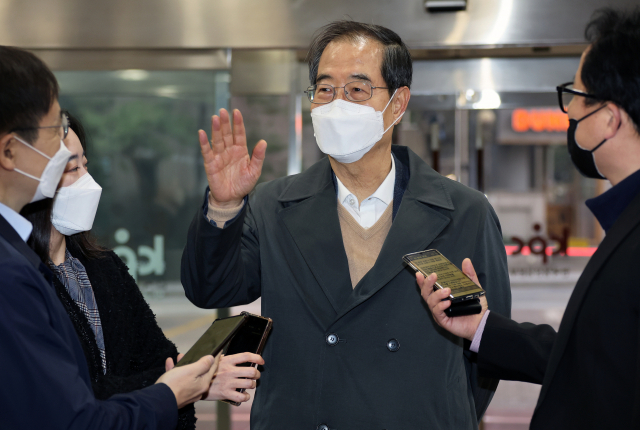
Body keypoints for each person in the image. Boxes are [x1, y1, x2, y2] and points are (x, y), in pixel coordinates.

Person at [181, 21, 512, 429]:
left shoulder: (465, 211)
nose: (338, 103)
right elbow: (210, 288)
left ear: (398, 102)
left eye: (357, 89)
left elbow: (489, 348)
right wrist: (224, 206)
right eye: (325, 89)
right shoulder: (273, 206)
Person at [420, 7, 640, 429]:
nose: (570, 112)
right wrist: (481, 327)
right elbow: (590, 356)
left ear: (610, 119)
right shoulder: (626, 222)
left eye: (576, 96)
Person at [0, 45, 217, 430]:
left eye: (84, 162)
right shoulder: (12, 271)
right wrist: (167, 392)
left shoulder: (86, 266)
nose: (80, 174)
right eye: (55, 133)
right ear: (10, 150)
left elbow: (154, 357)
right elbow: (74, 411)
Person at [19, 112, 264, 430]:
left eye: (85, 164)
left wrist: (193, 376)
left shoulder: (103, 268)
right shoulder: (18, 275)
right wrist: (180, 386)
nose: (86, 180)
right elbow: (64, 398)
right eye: (71, 167)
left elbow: (156, 357)